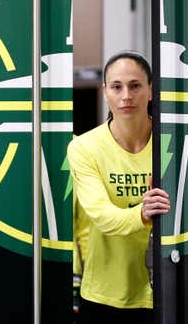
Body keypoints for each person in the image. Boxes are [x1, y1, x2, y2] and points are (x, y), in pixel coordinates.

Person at [67, 51, 171, 324]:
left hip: (165, 292)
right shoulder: (84, 147)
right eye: (117, 86)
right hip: (103, 296)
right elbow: (102, 216)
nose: (126, 95)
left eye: (135, 85)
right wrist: (142, 213)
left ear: (150, 90)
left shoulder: (175, 143)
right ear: (105, 92)